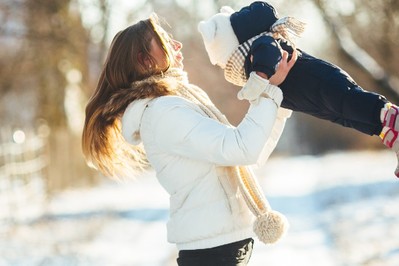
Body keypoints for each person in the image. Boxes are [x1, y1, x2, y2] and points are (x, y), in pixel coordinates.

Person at [82, 13, 296, 265]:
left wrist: (277, 107)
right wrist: (267, 90)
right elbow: (241, 149)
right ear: (145, 60)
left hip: (224, 245)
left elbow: (246, 158)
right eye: (164, 41)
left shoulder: (179, 102)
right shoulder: (163, 112)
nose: (177, 45)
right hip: (212, 252)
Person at [198, 1, 399, 177]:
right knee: (344, 116)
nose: (223, 67)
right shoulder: (252, 53)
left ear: (229, 47)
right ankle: (389, 133)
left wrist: (255, 85)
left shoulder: (262, 44)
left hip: (321, 83)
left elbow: (266, 60)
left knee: (347, 102)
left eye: (221, 62)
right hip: (312, 99)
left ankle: (390, 115)